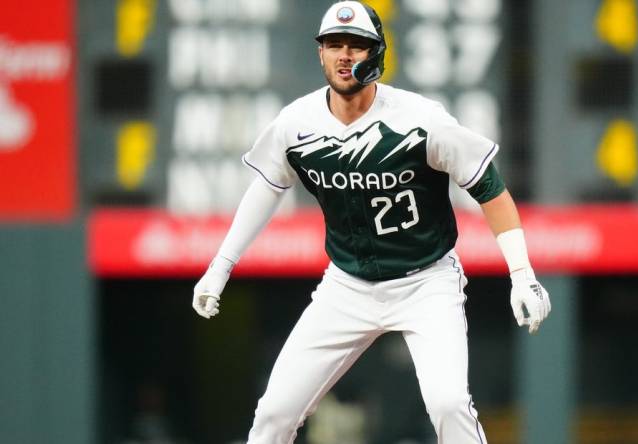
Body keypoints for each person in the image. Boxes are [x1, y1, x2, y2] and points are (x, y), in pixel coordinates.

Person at [191, 2, 551, 443]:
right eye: (334, 44)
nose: (344, 54)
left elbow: (489, 188)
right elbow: (268, 186)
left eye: (356, 45)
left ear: (376, 55)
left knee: (449, 405)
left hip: (425, 281)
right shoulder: (295, 124)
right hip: (348, 285)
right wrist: (220, 266)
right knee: (273, 414)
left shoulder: (421, 120)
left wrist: (522, 274)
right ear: (319, 53)